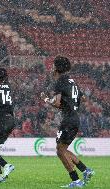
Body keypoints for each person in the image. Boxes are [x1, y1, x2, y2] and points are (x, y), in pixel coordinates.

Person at [41, 56, 95, 188]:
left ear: (57, 67)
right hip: (75, 118)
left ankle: (76, 181)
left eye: (53, 65)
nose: (52, 68)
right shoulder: (72, 82)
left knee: (60, 151)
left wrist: (47, 100)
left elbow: (57, 103)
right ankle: (85, 170)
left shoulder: (60, 81)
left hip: (68, 119)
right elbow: (83, 98)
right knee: (63, 149)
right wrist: (70, 102)